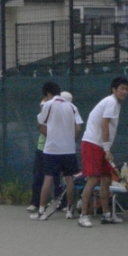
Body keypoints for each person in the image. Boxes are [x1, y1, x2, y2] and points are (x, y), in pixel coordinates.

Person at [78, 77, 128, 228]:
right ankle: (83, 216)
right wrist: (107, 148)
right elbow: (104, 125)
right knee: (93, 178)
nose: (124, 92)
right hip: (92, 144)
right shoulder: (111, 102)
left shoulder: (114, 104)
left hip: (101, 146)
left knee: (106, 178)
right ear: (114, 90)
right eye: (122, 88)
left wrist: (105, 148)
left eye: (127, 89)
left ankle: (107, 215)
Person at [31, 82, 83, 220]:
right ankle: (69, 211)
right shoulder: (72, 106)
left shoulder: (48, 105)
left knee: (48, 178)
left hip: (52, 150)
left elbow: (39, 123)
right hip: (69, 150)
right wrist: (70, 141)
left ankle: (41, 211)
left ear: (48, 93)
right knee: (69, 179)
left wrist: (52, 136)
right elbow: (78, 128)